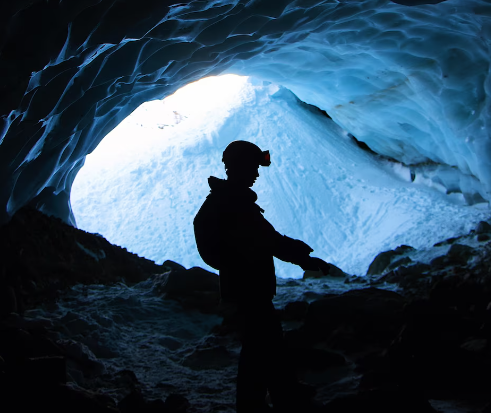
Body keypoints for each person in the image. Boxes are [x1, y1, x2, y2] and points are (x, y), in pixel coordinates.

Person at [193, 140, 330, 412]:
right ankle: (268, 401)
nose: (257, 173)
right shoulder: (235, 203)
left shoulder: (229, 199)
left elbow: (265, 239)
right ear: (240, 167)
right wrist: (303, 257)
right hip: (250, 286)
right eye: (253, 167)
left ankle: (276, 395)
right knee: (262, 345)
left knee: (262, 345)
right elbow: (268, 240)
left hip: (244, 285)